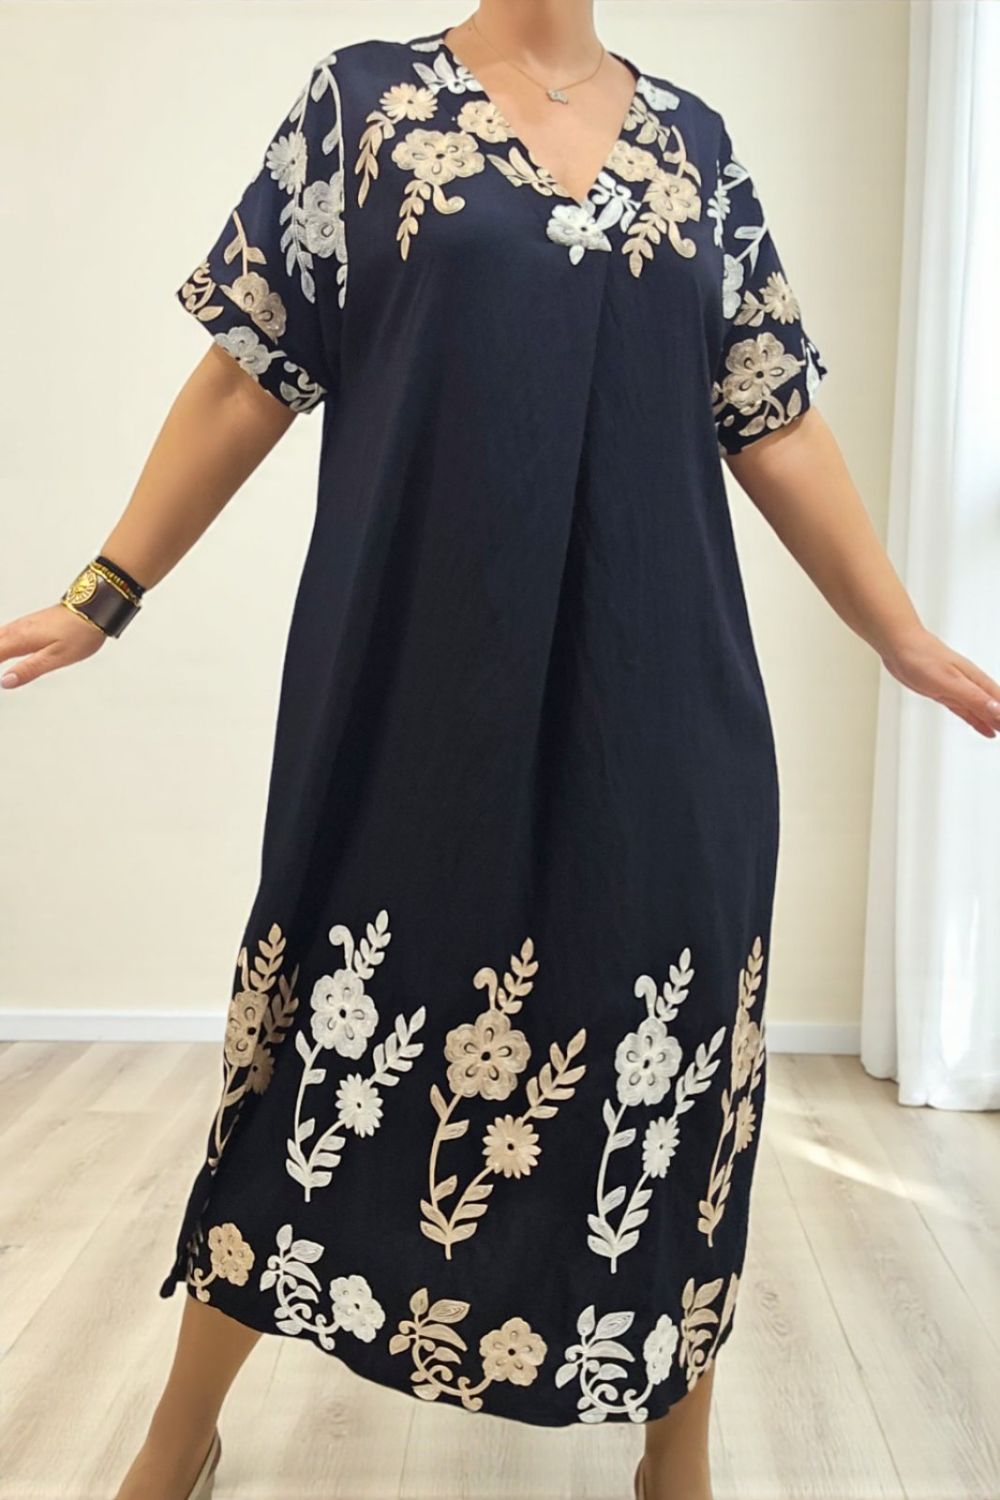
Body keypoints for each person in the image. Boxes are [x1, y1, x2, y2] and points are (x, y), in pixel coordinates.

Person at [5, 5, 1000, 1500]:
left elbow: (773, 418)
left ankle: (679, 1454)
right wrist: (105, 591)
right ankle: (178, 1430)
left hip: (661, 698)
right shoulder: (364, 106)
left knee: (673, 1064)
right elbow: (245, 370)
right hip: (411, 688)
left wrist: (900, 634)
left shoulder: (696, 146)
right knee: (320, 1040)